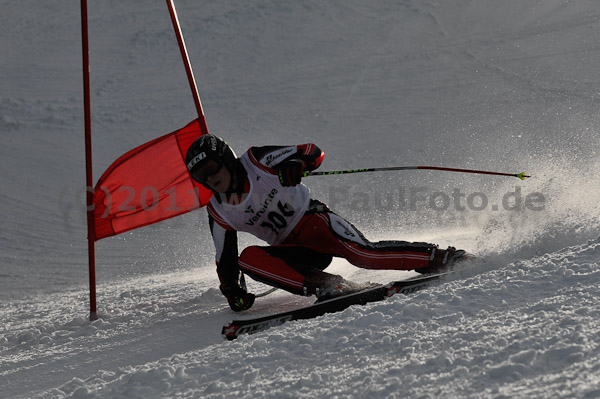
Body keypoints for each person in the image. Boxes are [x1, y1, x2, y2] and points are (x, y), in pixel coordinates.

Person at [186, 134, 470, 312]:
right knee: (247, 258)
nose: (210, 179)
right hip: (297, 253)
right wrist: (233, 292)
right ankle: (329, 286)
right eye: (201, 177)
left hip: (315, 223)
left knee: (364, 254)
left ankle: (443, 257)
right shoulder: (219, 210)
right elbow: (225, 259)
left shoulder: (256, 160)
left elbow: (312, 151)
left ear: (226, 159)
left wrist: (296, 165)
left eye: (211, 169)